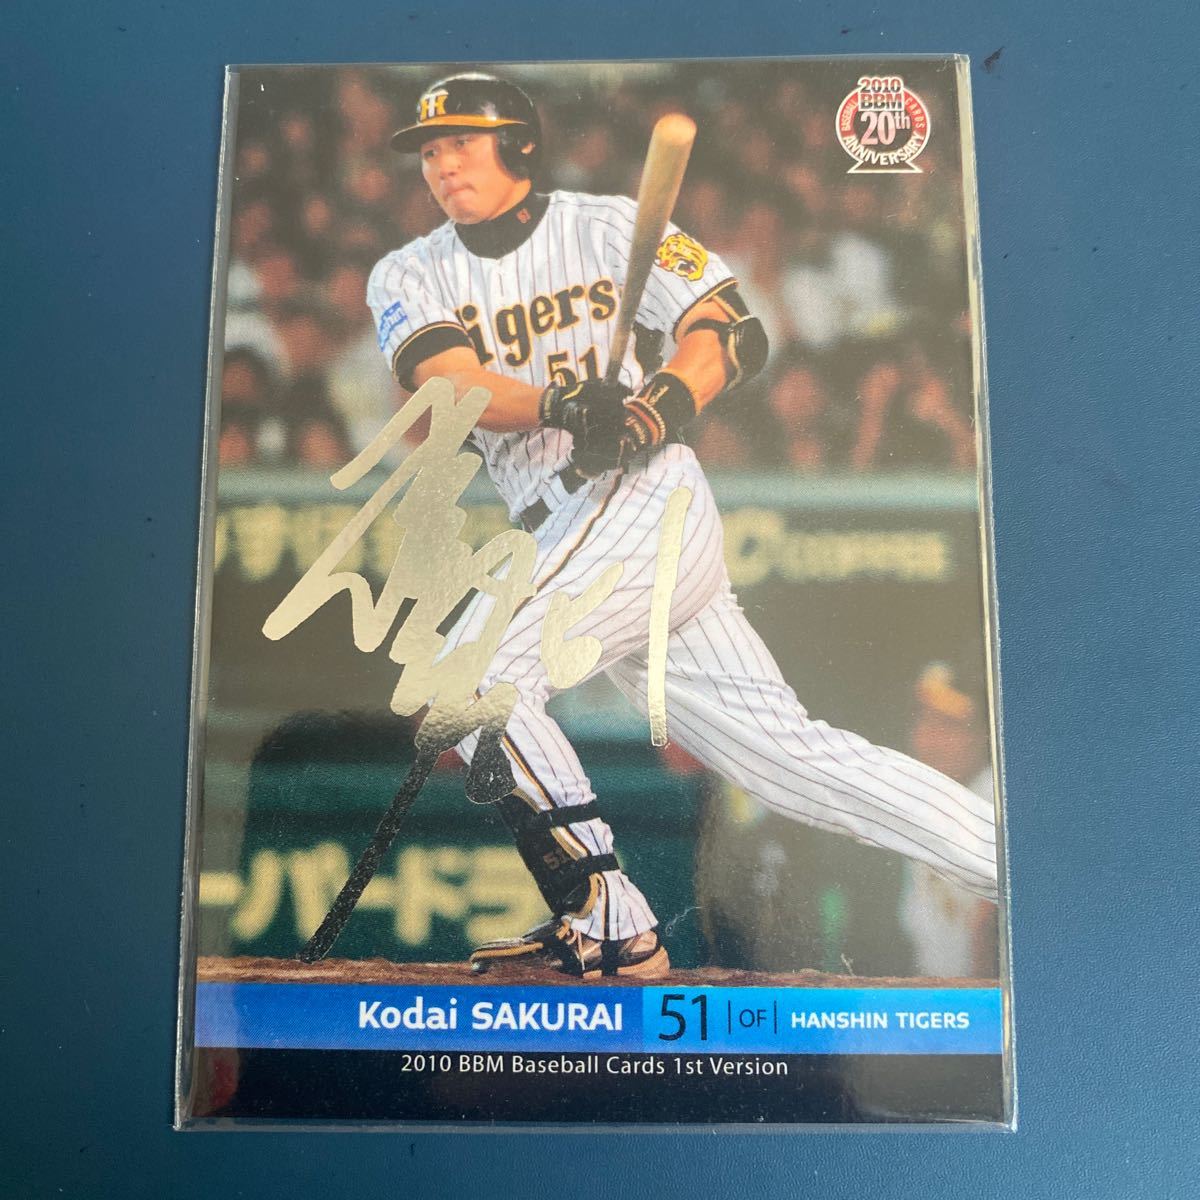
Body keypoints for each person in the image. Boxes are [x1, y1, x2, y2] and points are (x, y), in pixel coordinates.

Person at [367, 73, 998, 979]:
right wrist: (561, 401)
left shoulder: (608, 225)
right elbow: (445, 385)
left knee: (470, 682)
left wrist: (658, 403)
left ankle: (609, 917)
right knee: (787, 762)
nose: (443, 163)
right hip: (557, 525)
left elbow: (730, 330)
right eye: (430, 150)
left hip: (644, 499)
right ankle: (1010, 861)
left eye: (462, 141)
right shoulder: (407, 270)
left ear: (519, 143)